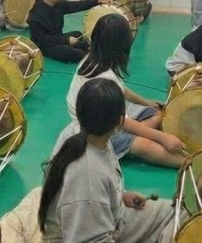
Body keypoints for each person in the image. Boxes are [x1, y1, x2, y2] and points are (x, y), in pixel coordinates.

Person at [39, 78, 187, 243]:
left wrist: (121, 196)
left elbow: (96, 193)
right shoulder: (87, 173)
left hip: (106, 222)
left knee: (178, 212)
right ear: (119, 121)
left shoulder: (93, 138)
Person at [52, 15, 185, 168]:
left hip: (105, 118)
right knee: (148, 146)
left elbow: (121, 90)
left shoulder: (94, 59)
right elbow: (120, 121)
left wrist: (145, 102)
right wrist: (162, 137)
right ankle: (191, 162)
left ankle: (132, 137)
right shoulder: (105, 76)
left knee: (156, 113)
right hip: (95, 131)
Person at [28, 0, 99, 63]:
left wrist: (96, 1)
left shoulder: (59, 4)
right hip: (45, 46)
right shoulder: (36, 12)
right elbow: (40, 38)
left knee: (77, 34)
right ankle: (91, 57)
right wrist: (66, 40)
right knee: (77, 53)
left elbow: (77, 5)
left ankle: (93, 52)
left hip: (58, 38)